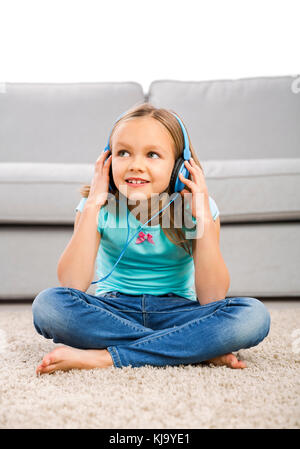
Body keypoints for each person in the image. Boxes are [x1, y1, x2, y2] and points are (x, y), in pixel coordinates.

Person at [32, 103, 271, 375]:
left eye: (152, 155)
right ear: (107, 159)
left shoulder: (196, 208)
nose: (136, 165)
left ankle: (105, 358)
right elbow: (72, 285)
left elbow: (212, 297)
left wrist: (202, 217)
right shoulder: (97, 206)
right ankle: (192, 348)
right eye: (123, 153)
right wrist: (93, 205)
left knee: (253, 316)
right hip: (113, 311)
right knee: (48, 306)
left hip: (178, 311)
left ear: (179, 167)